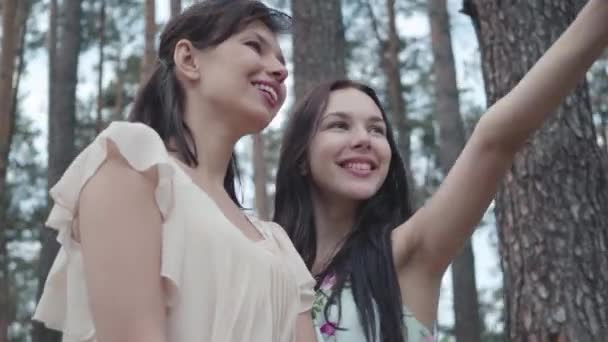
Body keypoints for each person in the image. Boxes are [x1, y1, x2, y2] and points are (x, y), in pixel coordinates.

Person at [273, 1, 608, 341]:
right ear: (301, 156)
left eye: (377, 130)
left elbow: (494, 141)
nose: (365, 139)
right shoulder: (269, 273)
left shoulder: (408, 253)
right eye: (339, 125)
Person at [33, 1, 316, 341]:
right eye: (254, 46)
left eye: (282, 63)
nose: (279, 70)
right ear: (188, 59)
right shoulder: (134, 165)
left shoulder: (279, 246)